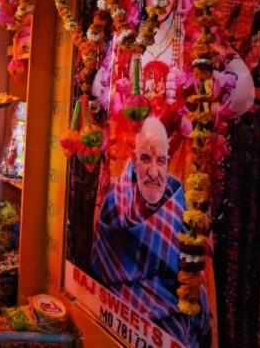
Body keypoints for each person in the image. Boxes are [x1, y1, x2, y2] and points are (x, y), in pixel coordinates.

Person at [91, 117, 210, 347]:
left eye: (161, 161)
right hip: (117, 322)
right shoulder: (115, 204)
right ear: (134, 161)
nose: (154, 172)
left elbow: (194, 281)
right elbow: (100, 266)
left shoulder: (184, 207)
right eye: (146, 159)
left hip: (173, 325)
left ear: (168, 162)